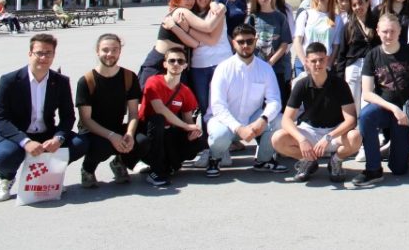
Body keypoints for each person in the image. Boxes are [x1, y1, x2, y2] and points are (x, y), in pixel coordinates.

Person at [0, 33, 88, 202]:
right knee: (4, 156)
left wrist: (58, 138)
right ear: (30, 54)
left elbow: (68, 117)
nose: (43, 57)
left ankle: (49, 176)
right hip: (17, 135)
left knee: (81, 143)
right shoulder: (10, 80)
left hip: (45, 134)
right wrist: (25, 142)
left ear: (53, 55)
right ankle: (6, 178)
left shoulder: (61, 82)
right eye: (39, 53)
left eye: (48, 53)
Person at [272, 42, 361, 183]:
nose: (318, 64)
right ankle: (308, 160)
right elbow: (286, 120)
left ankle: (336, 160)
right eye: (313, 61)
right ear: (306, 62)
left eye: (321, 60)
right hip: (310, 130)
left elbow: (351, 120)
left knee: (355, 137)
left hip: (334, 132)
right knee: (277, 138)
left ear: (327, 59)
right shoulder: (301, 84)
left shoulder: (340, 84)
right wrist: (302, 139)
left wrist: (328, 137)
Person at [355, 15, 409, 186]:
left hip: (406, 111)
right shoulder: (372, 55)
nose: (389, 35)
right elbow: (366, 93)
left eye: (393, 31)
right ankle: (373, 168)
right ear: (378, 32)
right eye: (385, 31)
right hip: (385, 108)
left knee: (399, 169)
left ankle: (398, 150)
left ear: (400, 32)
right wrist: (393, 109)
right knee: (366, 116)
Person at [206, 24, 285, 177]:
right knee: (219, 136)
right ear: (233, 43)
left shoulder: (265, 68)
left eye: (249, 41)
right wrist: (238, 128)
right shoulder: (223, 69)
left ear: (255, 41)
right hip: (224, 121)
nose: (245, 45)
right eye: (241, 42)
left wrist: (262, 120)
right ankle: (214, 158)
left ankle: (264, 160)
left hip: (252, 119)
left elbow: (274, 100)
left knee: (279, 121)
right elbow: (218, 106)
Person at [75, 33, 149, 188]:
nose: (110, 54)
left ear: (119, 52)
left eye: (115, 50)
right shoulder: (87, 81)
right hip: (93, 130)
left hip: (116, 126)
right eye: (105, 50)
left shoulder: (129, 77)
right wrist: (111, 136)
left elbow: (134, 113)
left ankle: (119, 162)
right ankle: (88, 169)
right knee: (104, 145)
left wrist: (129, 133)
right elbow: (86, 120)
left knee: (142, 139)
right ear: (97, 51)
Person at [138, 46, 202, 187]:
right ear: (165, 64)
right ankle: (155, 171)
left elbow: (188, 119)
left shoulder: (185, 91)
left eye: (180, 61)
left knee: (198, 141)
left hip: (167, 132)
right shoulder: (153, 81)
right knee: (158, 120)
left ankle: (170, 164)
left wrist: (191, 132)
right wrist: (186, 126)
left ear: (185, 65)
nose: (176, 64)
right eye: (172, 61)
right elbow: (159, 109)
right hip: (147, 130)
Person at [249, 0, 293, 104]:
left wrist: (271, 62)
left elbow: (285, 43)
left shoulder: (280, 17)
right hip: (257, 67)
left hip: (277, 67)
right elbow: (246, 42)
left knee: (277, 102)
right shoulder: (253, 17)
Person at [292, 0, 341, 78]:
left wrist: (329, 65)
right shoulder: (305, 15)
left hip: (324, 65)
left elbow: (335, 46)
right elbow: (297, 41)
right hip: (305, 64)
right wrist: (305, 63)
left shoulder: (336, 19)